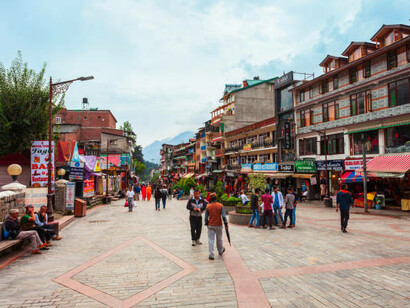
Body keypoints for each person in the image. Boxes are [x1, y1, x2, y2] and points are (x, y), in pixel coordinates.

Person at [204, 193, 228, 260]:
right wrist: (226, 224)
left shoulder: (208, 206)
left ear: (211, 199)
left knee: (211, 239)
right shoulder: (220, 206)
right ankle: (220, 251)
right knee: (219, 238)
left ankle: (211, 254)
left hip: (211, 224)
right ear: (216, 198)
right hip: (218, 224)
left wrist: (206, 223)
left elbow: (206, 217)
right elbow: (223, 216)